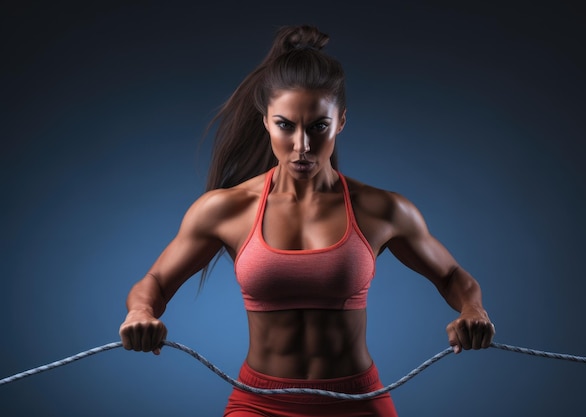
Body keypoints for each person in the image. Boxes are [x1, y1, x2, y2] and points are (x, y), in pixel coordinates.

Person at [119, 24, 495, 417]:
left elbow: (452, 275)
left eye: (318, 127)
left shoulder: (381, 210)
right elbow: (155, 283)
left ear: (341, 122)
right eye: (286, 126)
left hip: (357, 402)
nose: (302, 146)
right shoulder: (225, 209)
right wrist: (140, 312)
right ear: (265, 120)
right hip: (259, 404)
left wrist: (472, 310)